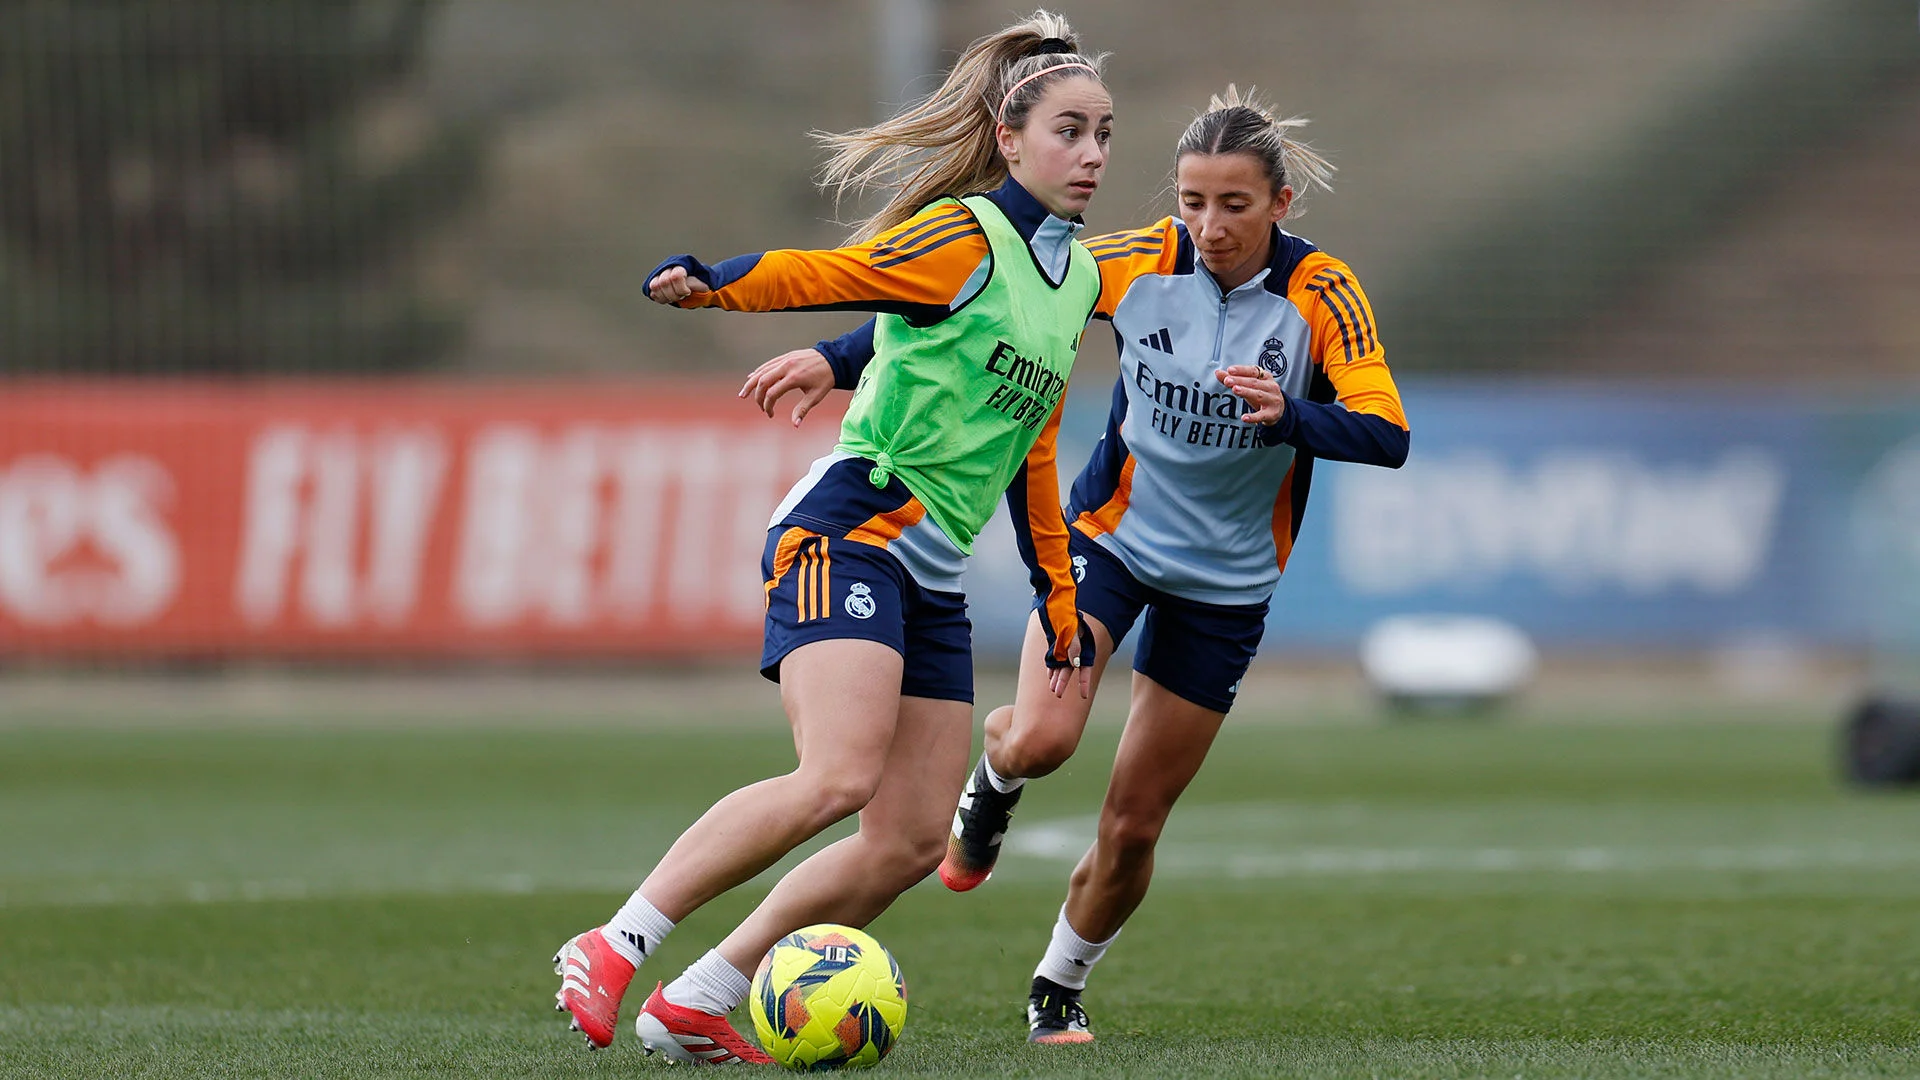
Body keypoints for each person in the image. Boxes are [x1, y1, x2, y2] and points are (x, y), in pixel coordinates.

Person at [741, 86, 1409, 1045]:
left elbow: (1386, 433)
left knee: (1135, 824)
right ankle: (996, 781)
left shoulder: (1322, 294)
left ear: (1282, 203)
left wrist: (1292, 415)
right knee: (1043, 740)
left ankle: (1058, 982)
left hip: (1227, 584)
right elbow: (987, 307)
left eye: (1234, 205)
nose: (1209, 227)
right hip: (1111, 541)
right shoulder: (1135, 262)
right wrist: (831, 357)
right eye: (1191, 201)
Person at [551, 11, 1113, 1065]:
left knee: (905, 841)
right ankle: (614, 942)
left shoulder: (1075, 282)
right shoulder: (960, 237)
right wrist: (717, 280)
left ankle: (700, 999)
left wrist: (1060, 598)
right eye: (1069, 131)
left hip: (933, 579)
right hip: (850, 530)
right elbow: (828, 275)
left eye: (1103, 133)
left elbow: (1032, 450)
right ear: (1010, 138)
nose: (1090, 154)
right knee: (837, 777)